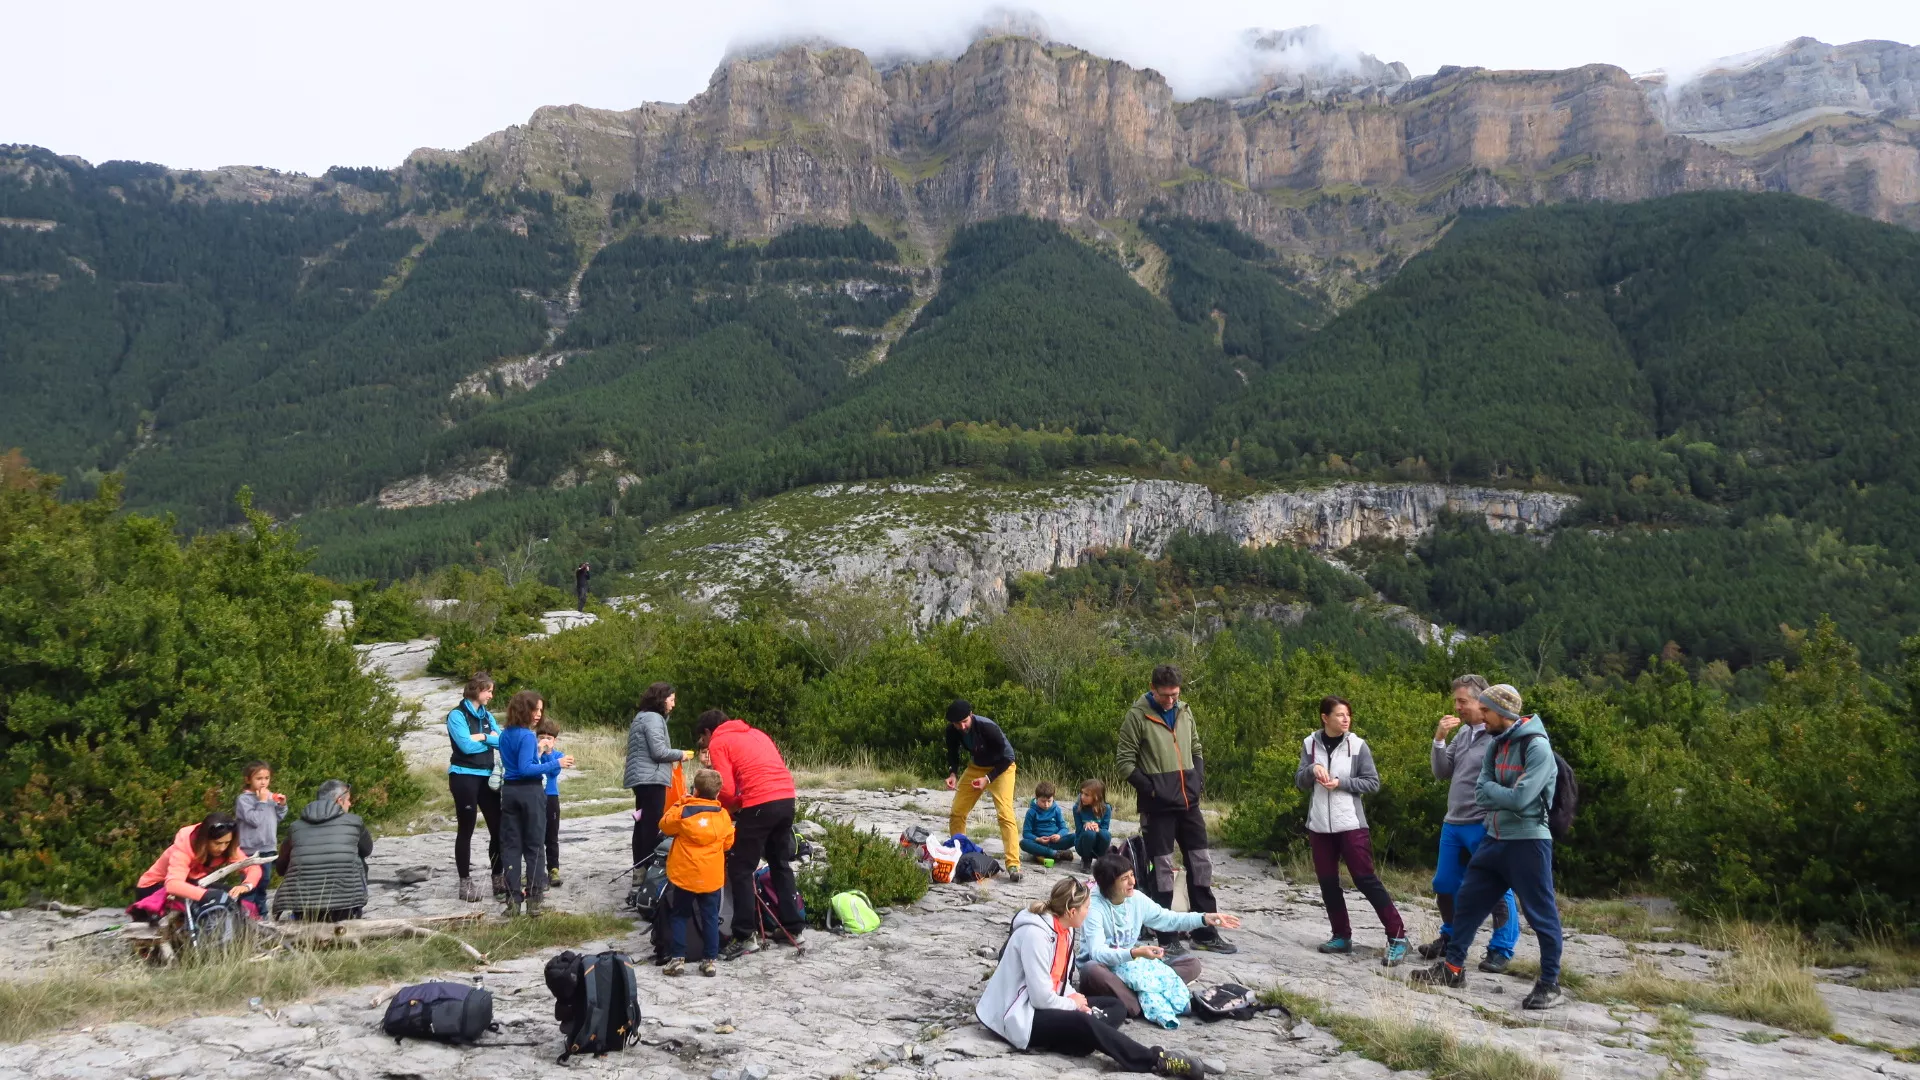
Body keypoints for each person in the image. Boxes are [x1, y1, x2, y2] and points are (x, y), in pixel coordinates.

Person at [1413, 684, 1565, 1009]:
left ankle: (1550, 984)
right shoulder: (1497, 746)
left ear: (1502, 712)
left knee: (1541, 914)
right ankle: (1453, 969)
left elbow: (1523, 799)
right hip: (1494, 838)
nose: (1480, 715)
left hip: (1528, 842)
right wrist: (1505, 794)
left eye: (1485, 710)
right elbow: (1481, 792)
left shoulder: (1537, 748)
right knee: (1467, 900)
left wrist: (1500, 793)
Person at [976, 877, 1212, 1076]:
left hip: (1044, 1003)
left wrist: (1076, 999)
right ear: (1072, 911)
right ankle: (1155, 1059)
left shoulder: (1065, 931)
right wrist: (1074, 1006)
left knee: (1115, 1006)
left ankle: (1081, 1037)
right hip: (1019, 1015)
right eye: (1087, 908)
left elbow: (1060, 981)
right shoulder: (1035, 936)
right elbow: (1040, 998)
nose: (1089, 912)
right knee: (1084, 1020)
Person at [1115, 666, 1233, 954]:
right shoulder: (1137, 716)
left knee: (1201, 865)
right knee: (1163, 872)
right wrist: (1154, 790)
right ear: (1152, 689)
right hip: (1158, 809)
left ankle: (1205, 933)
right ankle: (1167, 938)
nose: (1170, 701)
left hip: (1189, 804)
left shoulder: (1184, 711)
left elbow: (1196, 748)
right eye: (1165, 696)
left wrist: (1197, 781)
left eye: (1175, 695)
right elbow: (1124, 763)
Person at [1295, 695, 1410, 965]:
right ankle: (1341, 936)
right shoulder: (1310, 744)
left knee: (1365, 879)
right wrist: (1313, 769)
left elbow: (1372, 782)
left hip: (1351, 824)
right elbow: (1300, 780)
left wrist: (1342, 782)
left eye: (1348, 715)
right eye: (1339, 715)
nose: (1346, 719)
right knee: (1327, 882)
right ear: (1325, 718)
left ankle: (1397, 937)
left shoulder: (1358, 745)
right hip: (1319, 824)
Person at [1423, 674, 1521, 971]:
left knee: (1495, 888)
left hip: (1483, 823)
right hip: (1453, 822)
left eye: (1462, 701)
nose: (1457, 707)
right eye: (1456, 701)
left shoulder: (1500, 736)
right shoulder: (1465, 734)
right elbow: (1442, 772)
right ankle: (1452, 937)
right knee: (1444, 884)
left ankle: (1501, 948)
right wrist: (1439, 739)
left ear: (1483, 701)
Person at [1078, 852, 1243, 1020]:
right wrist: (1134, 953)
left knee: (1192, 964)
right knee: (1091, 969)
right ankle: (1142, 1002)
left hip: (1134, 970)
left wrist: (1204, 918)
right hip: (1107, 972)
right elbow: (1098, 953)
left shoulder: (1137, 899)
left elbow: (1168, 919)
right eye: (1124, 879)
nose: (1132, 882)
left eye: (1132, 875)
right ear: (1108, 883)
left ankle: (1138, 997)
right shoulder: (1094, 907)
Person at [695, 709, 804, 957]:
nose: (705, 745)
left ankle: (744, 935)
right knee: (780, 863)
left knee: (740, 867)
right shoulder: (756, 733)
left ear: (707, 732)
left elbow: (726, 788)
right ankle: (794, 927)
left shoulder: (719, 741)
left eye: (702, 740)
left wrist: (722, 808)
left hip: (759, 803)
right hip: (786, 798)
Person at [498, 690, 573, 918]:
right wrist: (556, 762)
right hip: (529, 792)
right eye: (535, 709)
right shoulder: (527, 736)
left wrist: (539, 755)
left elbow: (516, 766)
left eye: (541, 709)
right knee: (535, 846)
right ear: (525, 709)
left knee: (511, 847)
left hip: (509, 792)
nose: (539, 714)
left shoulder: (504, 734)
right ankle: (534, 901)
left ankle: (512, 902)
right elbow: (526, 769)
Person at [659, 768, 735, 977]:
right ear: (717, 793)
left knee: (680, 915)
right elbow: (728, 842)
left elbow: (665, 825)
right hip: (711, 876)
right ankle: (709, 960)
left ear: (695, 790)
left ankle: (678, 959)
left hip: (685, 875)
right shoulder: (723, 816)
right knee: (710, 916)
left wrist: (679, 802)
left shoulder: (684, 811)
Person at [944, 698, 1023, 882]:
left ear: (971, 715)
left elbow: (1009, 757)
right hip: (977, 767)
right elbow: (952, 753)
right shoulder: (952, 731)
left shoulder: (988, 727)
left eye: (965, 721)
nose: (962, 726)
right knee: (957, 812)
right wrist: (953, 774)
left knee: (1005, 813)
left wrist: (987, 779)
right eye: (957, 723)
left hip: (1002, 767)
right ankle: (959, 855)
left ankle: (1013, 865)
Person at [131, 811, 262, 921]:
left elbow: (252, 867)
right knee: (212, 898)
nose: (222, 848)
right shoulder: (184, 846)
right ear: (205, 840)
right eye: (217, 843)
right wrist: (206, 895)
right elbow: (173, 885)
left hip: (191, 883)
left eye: (226, 843)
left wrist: (246, 885)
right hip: (153, 888)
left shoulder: (227, 847)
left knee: (229, 897)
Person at [273, 780, 373, 922]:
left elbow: (281, 868)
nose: (350, 804)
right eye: (349, 800)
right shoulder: (355, 822)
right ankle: (355, 911)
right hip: (344, 908)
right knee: (359, 860)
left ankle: (299, 916)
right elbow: (367, 850)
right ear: (339, 801)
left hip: (303, 908)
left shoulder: (295, 827)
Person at [447, 672, 505, 903]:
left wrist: (480, 737)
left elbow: (501, 741)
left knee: (498, 827)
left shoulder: (488, 715)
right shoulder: (456, 715)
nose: (491, 695)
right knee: (466, 828)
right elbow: (465, 747)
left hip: (487, 777)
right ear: (476, 689)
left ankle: (498, 878)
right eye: (488, 690)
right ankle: (465, 883)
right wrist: (485, 737)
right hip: (464, 776)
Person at [625, 681, 695, 872]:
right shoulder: (654, 718)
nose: (673, 705)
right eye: (671, 700)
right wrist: (680, 754)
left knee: (642, 824)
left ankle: (638, 869)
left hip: (642, 778)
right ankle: (648, 869)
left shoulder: (641, 717)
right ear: (661, 699)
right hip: (652, 778)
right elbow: (659, 751)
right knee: (651, 826)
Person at [234, 761, 286, 916]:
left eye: (267, 778)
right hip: (251, 850)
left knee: (264, 883)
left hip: (268, 847)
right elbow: (254, 820)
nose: (263, 782)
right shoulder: (244, 800)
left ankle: (262, 916)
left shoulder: (269, 797)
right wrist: (262, 802)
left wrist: (282, 805)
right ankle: (247, 916)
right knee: (251, 885)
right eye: (259, 778)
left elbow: (278, 817)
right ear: (248, 780)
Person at [537, 717, 566, 888]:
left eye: (549, 738)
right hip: (535, 795)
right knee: (535, 835)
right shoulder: (534, 753)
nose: (545, 741)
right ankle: (535, 869)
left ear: (554, 740)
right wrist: (539, 753)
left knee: (552, 835)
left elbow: (554, 772)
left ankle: (553, 868)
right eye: (541, 737)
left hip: (551, 796)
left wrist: (548, 755)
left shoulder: (558, 756)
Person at [1021, 781, 1077, 865]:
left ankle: (1046, 854)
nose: (1046, 804)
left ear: (1053, 798)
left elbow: (1064, 828)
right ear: (1036, 798)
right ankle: (1054, 853)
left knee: (1075, 836)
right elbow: (1026, 833)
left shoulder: (1056, 809)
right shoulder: (1031, 812)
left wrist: (1059, 835)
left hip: (1055, 842)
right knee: (1023, 843)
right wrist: (1038, 839)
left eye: (1049, 801)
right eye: (1043, 801)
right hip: (1039, 843)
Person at [1074, 780, 1113, 870]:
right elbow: (1079, 831)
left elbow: (1105, 829)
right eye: (1081, 793)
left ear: (1096, 797)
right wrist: (1085, 826)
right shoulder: (1077, 808)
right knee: (1089, 833)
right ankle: (1086, 859)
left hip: (1098, 845)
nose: (1082, 797)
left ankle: (1101, 860)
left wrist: (1098, 829)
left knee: (1106, 835)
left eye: (1086, 795)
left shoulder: (1106, 808)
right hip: (1082, 845)